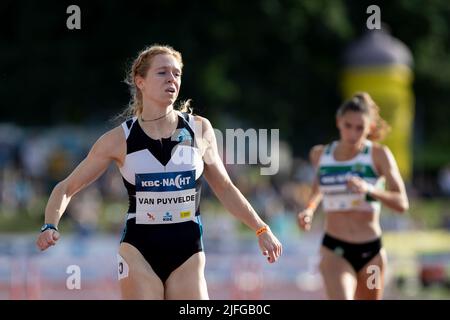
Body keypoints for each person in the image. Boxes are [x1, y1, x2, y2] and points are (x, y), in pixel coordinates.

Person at [36, 44, 282, 299]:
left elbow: (225, 187)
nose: (172, 79)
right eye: (163, 72)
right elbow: (65, 188)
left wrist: (261, 228)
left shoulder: (200, 129)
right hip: (139, 252)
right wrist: (49, 225)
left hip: (188, 252)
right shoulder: (118, 140)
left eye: (176, 73)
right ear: (140, 82)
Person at [297, 92, 409, 300]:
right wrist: (309, 210)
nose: (353, 133)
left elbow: (402, 203)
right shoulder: (321, 155)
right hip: (334, 248)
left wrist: (370, 189)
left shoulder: (378, 155)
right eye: (348, 126)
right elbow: (318, 189)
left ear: (370, 128)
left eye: (360, 128)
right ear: (339, 122)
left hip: (371, 252)